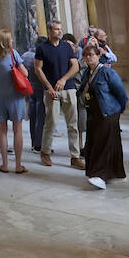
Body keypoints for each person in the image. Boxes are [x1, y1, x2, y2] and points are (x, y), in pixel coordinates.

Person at [76, 42, 128, 190]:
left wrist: (119, 109)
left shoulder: (106, 72)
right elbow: (83, 89)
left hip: (108, 113)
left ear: (98, 56)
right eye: (85, 55)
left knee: (103, 144)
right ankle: (115, 173)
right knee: (96, 143)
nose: (88, 58)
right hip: (93, 112)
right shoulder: (87, 72)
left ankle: (100, 175)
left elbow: (121, 93)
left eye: (91, 55)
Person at [35, 30, 82, 168]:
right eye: (56, 29)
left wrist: (63, 79)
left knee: (73, 124)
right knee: (51, 122)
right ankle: (45, 152)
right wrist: (49, 87)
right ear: (50, 31)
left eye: (60, 28)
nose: (59, 31)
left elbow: (75, 66)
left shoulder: (67, 47)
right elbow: (38, 69)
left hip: (68, 88)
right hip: (51, 91)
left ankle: (75, 156)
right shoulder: (42, 48)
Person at [0, 30, 27, 173]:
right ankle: (18, 165)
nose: (12, 40)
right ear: (6, 41)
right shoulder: (13, 54)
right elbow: (25, 73)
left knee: (2, 131)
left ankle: (5, 164)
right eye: (10, 38)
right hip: (15, 96)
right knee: (17, 130)